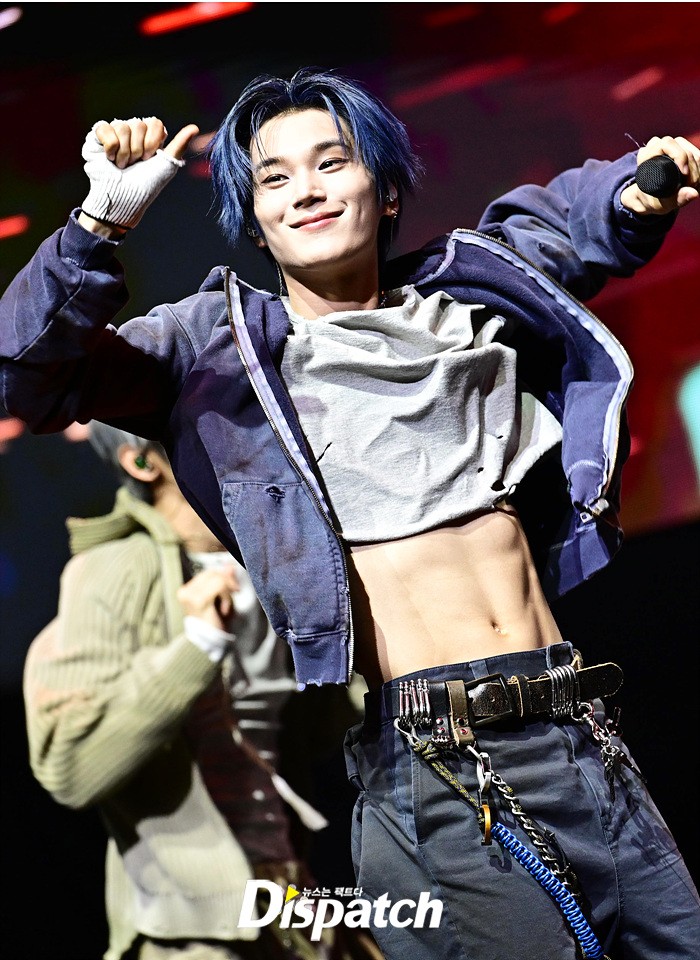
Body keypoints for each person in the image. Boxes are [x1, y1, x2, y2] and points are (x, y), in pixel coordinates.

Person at [2, 67, 699, 959]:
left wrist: (641, 187)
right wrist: (99, 223)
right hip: (445, 763)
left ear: (388, 187)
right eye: (275, 178)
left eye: (331, 162)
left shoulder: (465, 296)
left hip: (580, 732)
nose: (305, 190)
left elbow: (569, 221)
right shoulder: (216, 352)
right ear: (255, 219)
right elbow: (26, 372)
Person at [22, 420, 368, 960]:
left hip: (293, 906)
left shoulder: (271, 567)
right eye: (204, 421)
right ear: (143, 462)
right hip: (193, 934)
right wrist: (196, 647)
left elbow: (316, 727)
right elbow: (69, 765)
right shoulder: (114, 568)